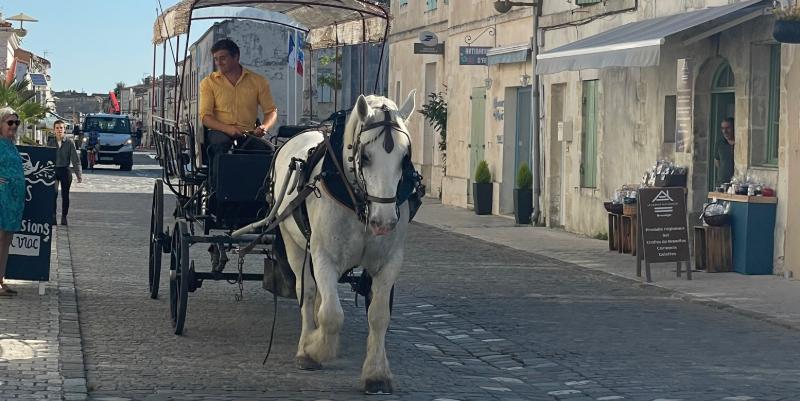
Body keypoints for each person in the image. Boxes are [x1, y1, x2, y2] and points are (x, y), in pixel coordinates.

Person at [199, 38, 277, 166]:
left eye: (223, 58)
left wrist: (264, 127)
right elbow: (205, 118)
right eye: (216, 59)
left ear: (236, 56)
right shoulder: (208, 83)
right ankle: (218, 184)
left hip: (248, 133)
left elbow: (271, 111)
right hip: (219, 132)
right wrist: (228, 129)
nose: (219, 63)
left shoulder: (258, 81)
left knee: (267, 150)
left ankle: (260, 186)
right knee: (221, 145)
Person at [0, 107, 25, 296]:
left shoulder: (11, 144)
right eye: (10, 122)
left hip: (13, 200)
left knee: (6, 241)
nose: (14, 126)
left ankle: (1, 280)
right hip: (2, 198)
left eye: (16, 123)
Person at [50, 120, 82, 226]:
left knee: (65, 195)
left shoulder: (69, 142)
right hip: (53, 171)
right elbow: (45, 157)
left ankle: (64, 217)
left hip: (65, 170)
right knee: (52, 195)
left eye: (61, 128)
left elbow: (75, 159)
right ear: (54, 130)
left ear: (64, 129)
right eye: (57, 128)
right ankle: (53, 216)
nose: (59, 130)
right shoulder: (50, 142)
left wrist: (78, 174)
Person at [714, 117, 735, 186]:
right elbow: (717, 162)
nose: (725, 131)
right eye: (723, 128)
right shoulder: (719, 143)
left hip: (737, 184)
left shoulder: (740, 143)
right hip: (722, 183)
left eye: (728, 128)